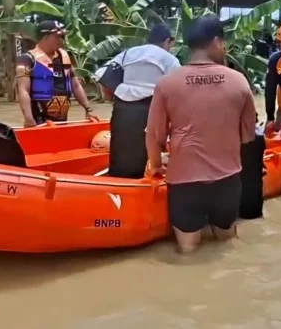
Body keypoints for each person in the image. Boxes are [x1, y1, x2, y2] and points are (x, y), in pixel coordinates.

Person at [145, 15, 257, 253]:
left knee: (188, 251)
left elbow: (155, 136)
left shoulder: (167, 83)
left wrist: (155, 165)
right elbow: (248, 137)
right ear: (217, 42)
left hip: (184, 180)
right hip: (227, 178)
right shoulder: (239, 81)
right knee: (227, 242)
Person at [107, 24, 180, 178]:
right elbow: (178, 87)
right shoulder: (169, 58)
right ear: (168, 41)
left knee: (121, 146)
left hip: (122, 107)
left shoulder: (128, 53)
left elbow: (104, 75)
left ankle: (118, 183)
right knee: (149, 147)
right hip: (151, 106)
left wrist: (116, 93)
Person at [16, 20, 94, 127]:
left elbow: (75, 84)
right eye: (57, 37)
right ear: (45, 38)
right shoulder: (27, 59)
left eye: (62, 37)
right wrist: (28, 118)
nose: (61, 40)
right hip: (38, 119)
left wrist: (88, 109)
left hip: (62, 119)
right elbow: (23, 90)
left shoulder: (63, 56)